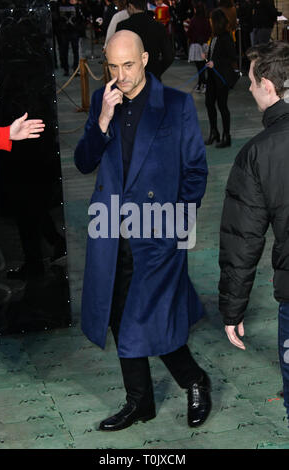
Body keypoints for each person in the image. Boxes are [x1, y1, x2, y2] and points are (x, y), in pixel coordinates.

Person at [74, 29, 211, 431]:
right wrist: (101, 122)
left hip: (159, 234)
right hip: (111, 234)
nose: (122, 75)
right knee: (119, 316)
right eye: (113, 67)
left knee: (154, 319)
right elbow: (84, 162)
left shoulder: (176, 105)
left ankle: (194, 380)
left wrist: (176, 228)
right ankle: (141, 402)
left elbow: (195, 172)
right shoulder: (104, 100)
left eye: (129, 65)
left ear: (146, 59)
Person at [218, 41, 289, 425]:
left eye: (251, 81)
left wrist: (233, 307)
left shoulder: (258, 154)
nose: (247, 89)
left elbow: (243, 239)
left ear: (268, 85)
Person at [204, 8, 237, 148]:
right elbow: (216, 54)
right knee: (209, 103)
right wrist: (207, 56)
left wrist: (215, 62)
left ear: (216, 22)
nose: (209, 22)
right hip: (212, 77)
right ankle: (214, 132)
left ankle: (226, 136)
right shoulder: (215, 37)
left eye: (211, 20)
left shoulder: (226, 37)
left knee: (222, 106)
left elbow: (231, 57)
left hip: (221, 77)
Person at [116, 0, 174, 80]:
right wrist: (157, 71)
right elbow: (169, 57)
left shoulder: (122, 26)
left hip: (130, 77)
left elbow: (118, 54)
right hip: (152, 75)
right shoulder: (158, 26)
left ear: (131, 6)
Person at [187, 1, 211, 93]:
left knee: (199, 67)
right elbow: (209, 32)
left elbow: (189, 33)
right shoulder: (206, 20)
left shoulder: (193, 20)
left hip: (196, 46)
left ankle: (203, 84)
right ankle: (201, 84)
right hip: (205, 45)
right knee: (203, 66)